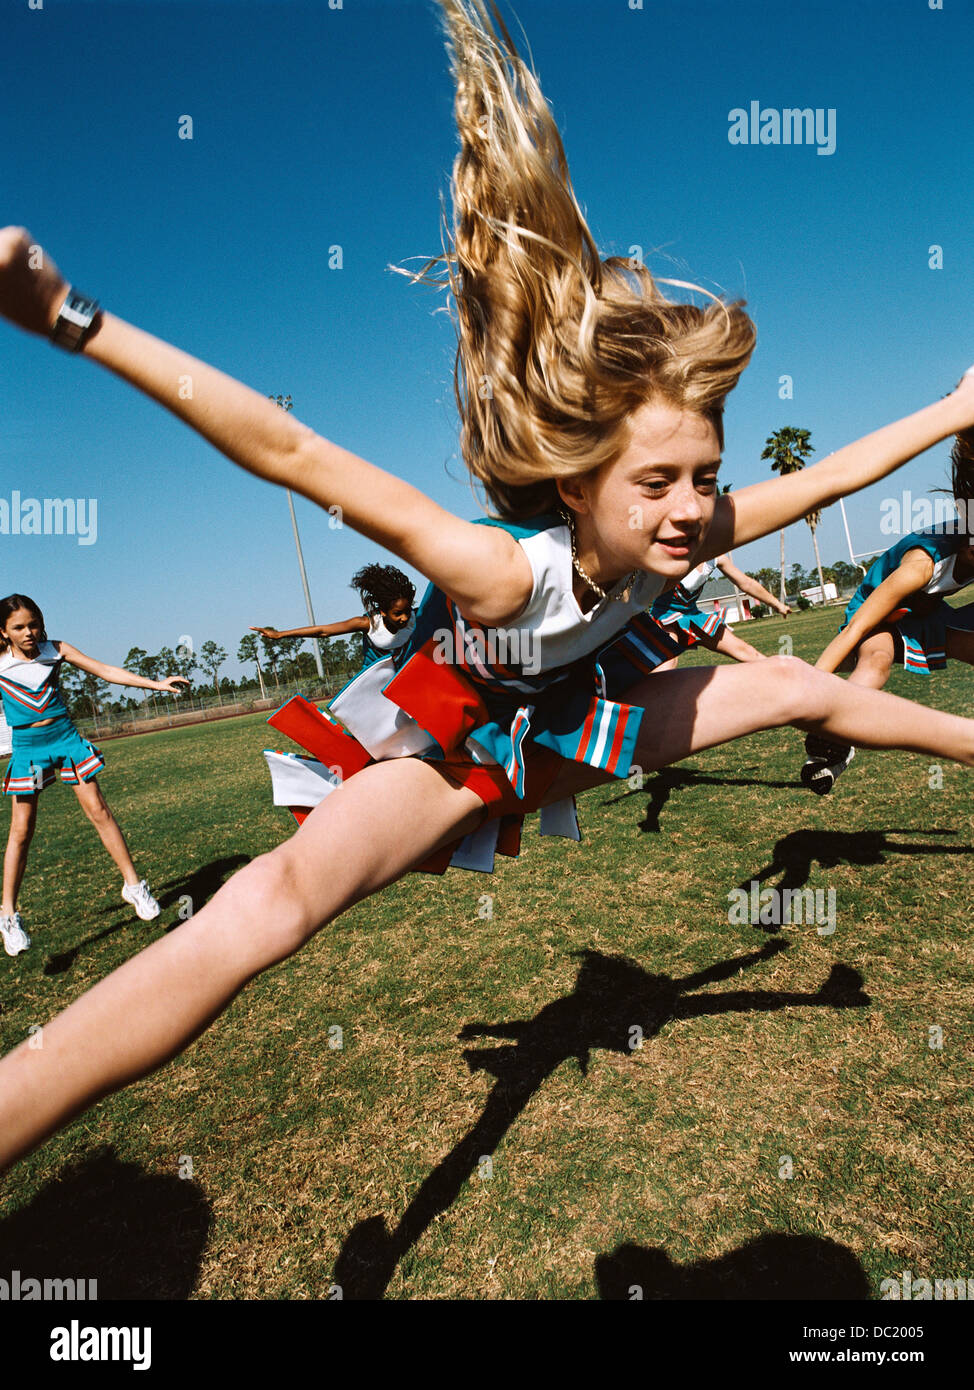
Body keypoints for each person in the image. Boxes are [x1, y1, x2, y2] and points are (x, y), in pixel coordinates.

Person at [1, 0, 974, 1169]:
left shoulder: (693, 524)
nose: (686, 511)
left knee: (792, 691)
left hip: (571, 727)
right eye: (654, 480)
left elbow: (829, 475)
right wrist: (68, 316)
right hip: (444, 758)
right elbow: (290, 451)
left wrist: (956, 407)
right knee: (266, 911)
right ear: (576, 482)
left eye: (702, 478)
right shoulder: (504, 573)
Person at [0, 595, 189, 955]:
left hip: (66, 739)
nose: (29, 632)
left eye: (33, 623)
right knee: (22, 831)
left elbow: (105, 671)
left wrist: (155, 684)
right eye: (19, 627)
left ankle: (133, 886)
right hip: (28, 748)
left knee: (99, 811)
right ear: (3, 632)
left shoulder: (55, 650)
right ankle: (8, 914)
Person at [800, 431, 974, 793]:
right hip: (878, 614)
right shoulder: (922, 565)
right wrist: (805, 688)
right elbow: (853, 631)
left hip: (926, 614)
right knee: (877, 658)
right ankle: (833, 740)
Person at [252, 563, 416, 673]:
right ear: (383, 612)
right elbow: (323, 631)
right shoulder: (367, 623)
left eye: (407, 611)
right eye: (398, 614)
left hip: (401, 672)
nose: (404, 618)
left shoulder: (415, 616)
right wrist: (280, 634)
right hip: (374, 675)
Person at [650, 553, 790, 672]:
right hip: (665, 616)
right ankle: (646, 701)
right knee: (667, 665)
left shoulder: (716, 557)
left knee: (746, 652)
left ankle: (785, 679)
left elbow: (746, 583)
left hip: (692, 616)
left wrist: (777, 604)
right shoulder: (674, 553)